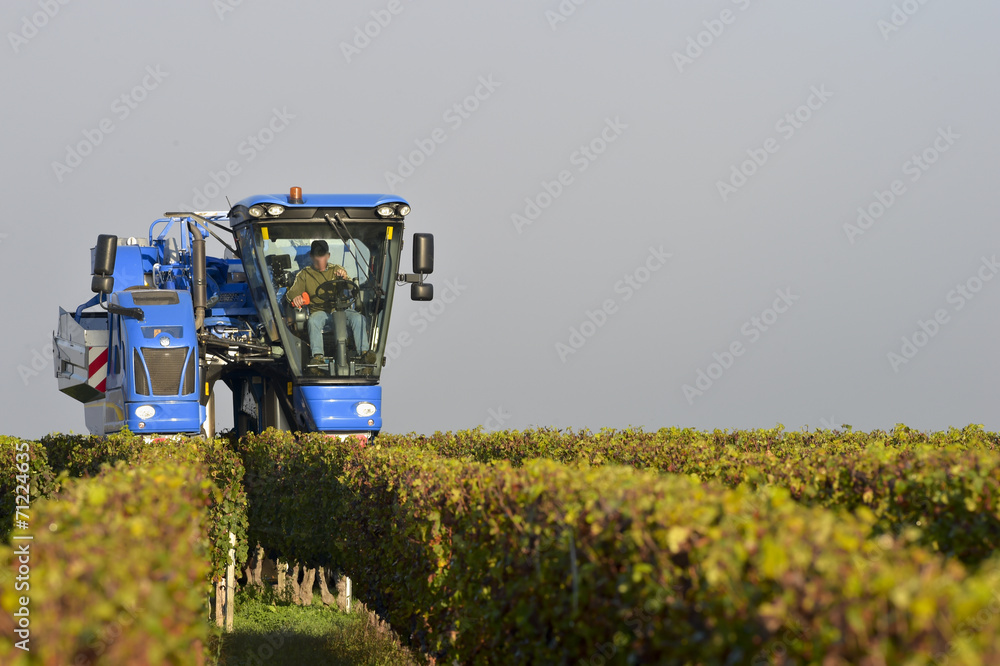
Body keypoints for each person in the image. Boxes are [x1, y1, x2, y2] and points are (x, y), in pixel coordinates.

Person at [285, 240, 370, 367]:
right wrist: (296, 299)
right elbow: (289, 295)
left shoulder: (337, 270)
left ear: (328, 256)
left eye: (322, 255)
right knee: (313, 321)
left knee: (359, 318)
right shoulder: (305, 275)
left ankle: (364, 354)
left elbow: (351, 287)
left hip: (342, 311)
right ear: (311, 256)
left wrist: (344, 278)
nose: (320, 259)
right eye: (317, 255)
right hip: (320, 313)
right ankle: (318, 357)